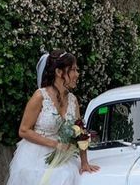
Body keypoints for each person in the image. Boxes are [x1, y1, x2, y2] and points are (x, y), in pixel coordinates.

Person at [6, 50, 100, 185]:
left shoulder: (73, 100)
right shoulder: (40, 96)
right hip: (36, 155)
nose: (77, 74)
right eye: (73, 70)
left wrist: (84, 162)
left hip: (63, 157)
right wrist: (56, 144)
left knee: (65, 177)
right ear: (59, 72)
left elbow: (81, 132)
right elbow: (24, 130)